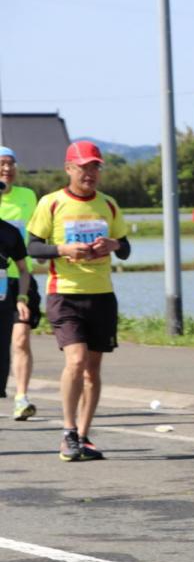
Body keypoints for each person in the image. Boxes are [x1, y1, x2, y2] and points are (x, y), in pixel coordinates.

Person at [26, 142, 131, 461]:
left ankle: (84, 436)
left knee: (92, 369)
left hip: (101, 296)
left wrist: (113, 244)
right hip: (65, 293)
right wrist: (64, 250)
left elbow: (125, 248)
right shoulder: (52, 203)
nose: (90, 173)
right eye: (84, 167)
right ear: (69, 168)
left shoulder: (109, 205)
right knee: (75, 361)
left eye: (95, 167)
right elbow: (32, 247)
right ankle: (68, 432)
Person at [0, 146, 39, 418]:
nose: (7, 168)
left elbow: (37, 233)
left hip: (20, 278)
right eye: (2, 163)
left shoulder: (28, 196)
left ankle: (22, 397)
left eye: (11, 163)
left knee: (21, 338)